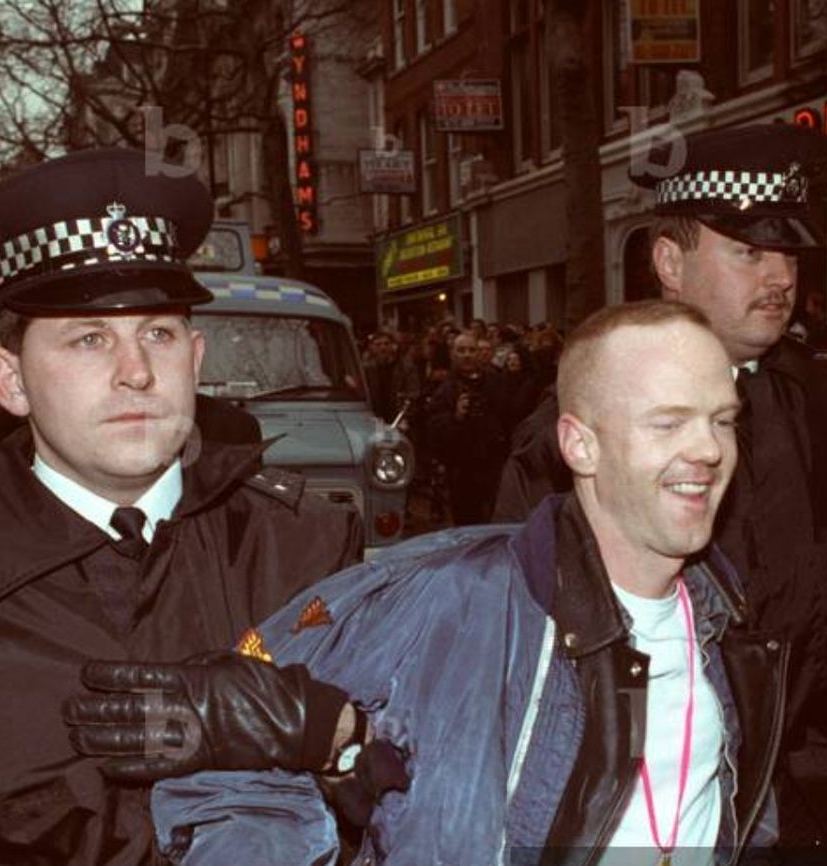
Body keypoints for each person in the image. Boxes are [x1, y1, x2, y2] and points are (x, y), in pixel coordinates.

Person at [98, 300, 784, 865]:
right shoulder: (440, 597)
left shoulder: (731, 624)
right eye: (669, 423)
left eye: (722, 420)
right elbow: (231, 769)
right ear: (581, 445)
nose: (709, 449)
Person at [0, 147, 363, 865]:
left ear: (196, 359)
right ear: (8, 381)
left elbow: (445, 807)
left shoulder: (311, 552)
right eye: (88, 339)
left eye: (159, 334)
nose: (137, 370)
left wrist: (340, 739)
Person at [494, 123, 827, 847]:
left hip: (782, 802)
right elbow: (521, 663)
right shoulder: (573, 434)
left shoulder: (801, 401)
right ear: (670, 262)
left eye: (789, 254)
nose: (780, 277)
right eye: (749, 252)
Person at [427, 330, 507, 524]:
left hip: (492, 464)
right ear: (453, 354)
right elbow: (433, 429)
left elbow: (508, 416)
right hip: (461, 469)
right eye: (461, 350)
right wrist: (456, 417)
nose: (467, 355)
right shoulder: (444, 389)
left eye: (472, 350)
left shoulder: (495, 381)